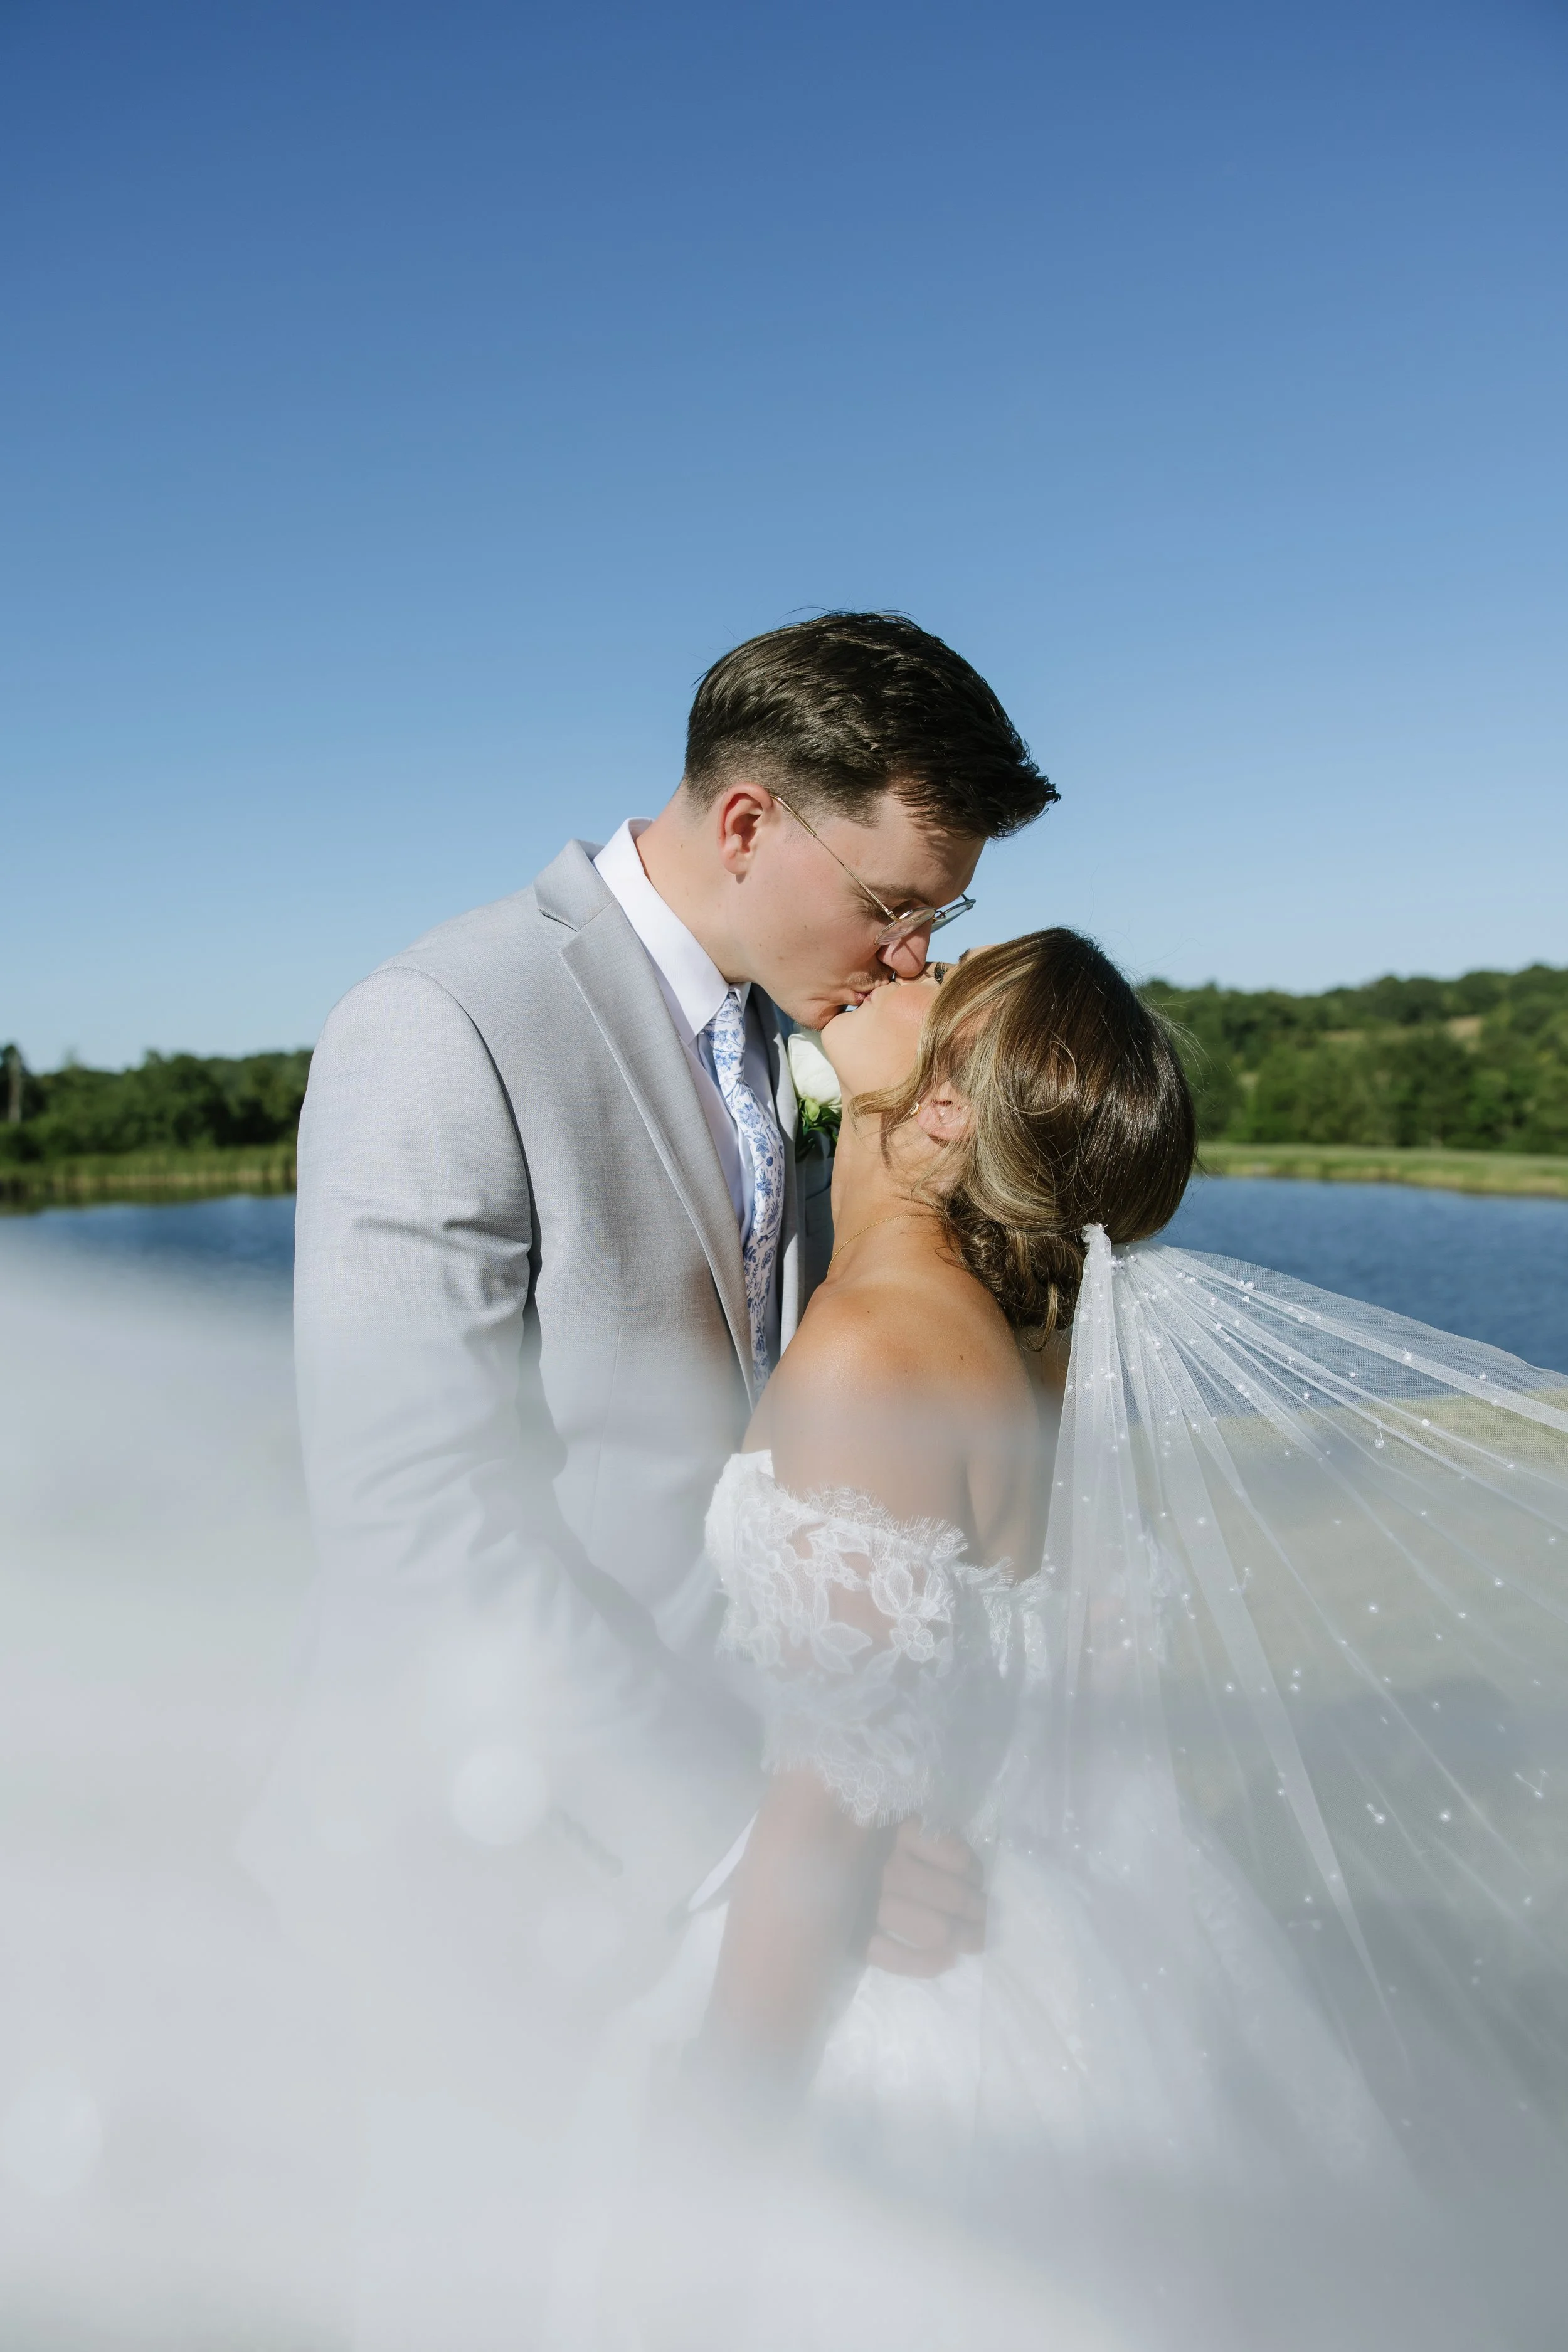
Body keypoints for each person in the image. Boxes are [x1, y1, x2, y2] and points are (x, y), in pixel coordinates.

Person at [544, 932, 1568, 2352]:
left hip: (889, 2028)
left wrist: (711, 2142)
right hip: (1043, 1948)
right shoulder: (1025, 1342)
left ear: (950, 1108)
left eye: (936, 981)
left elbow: (827, 1811)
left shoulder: (875, 1357)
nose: (905, 959)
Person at [241, 615, 1056, 2344]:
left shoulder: (795, 1022)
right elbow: (417, 1522)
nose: (915, 956)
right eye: (897, 901)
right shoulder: (439, 1022)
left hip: (719, 1900)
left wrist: (831, 1806)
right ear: (750, 822)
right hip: (477, 1882)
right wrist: (750, 1834)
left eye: (941, 914)